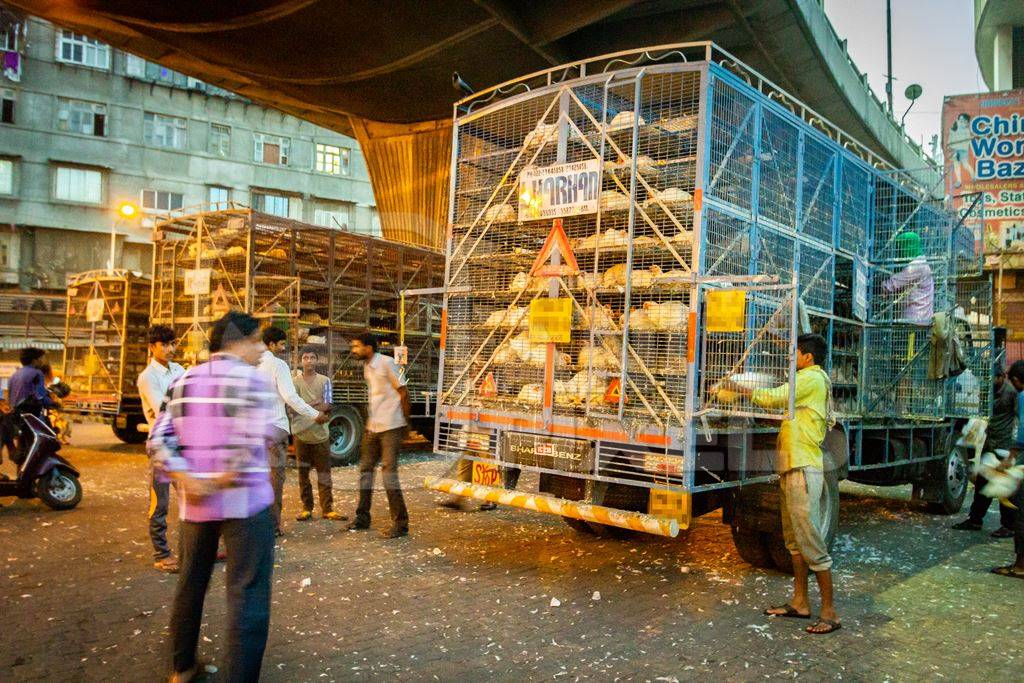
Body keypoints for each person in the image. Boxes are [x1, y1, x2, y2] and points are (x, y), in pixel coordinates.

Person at [148, 311, 277, 682]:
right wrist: (223, 477)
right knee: (247, 594)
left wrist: (189, 478)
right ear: (237, 341)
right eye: (256, 342)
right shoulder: (252, 382)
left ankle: (181, 667)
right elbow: (250, 437)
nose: (261, 351)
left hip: (196, 506)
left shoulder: (183, 379)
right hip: (248, 506)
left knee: (190, 583)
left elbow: (157, 441)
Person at [725, 333, 840, 634]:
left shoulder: (813, 378)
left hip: (804, 467)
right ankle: (800, 602)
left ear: (808, 358)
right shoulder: (808, 380)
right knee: (794, 540)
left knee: (810, 538)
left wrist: (739, 387)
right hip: (792, 465)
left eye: (796, 354)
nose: (793, 359)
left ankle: (830, 612)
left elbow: (777, 396)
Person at [257, 326, 328, 536]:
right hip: (274, 427)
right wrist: (314, 414)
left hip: (253, 429)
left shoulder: (250, 363)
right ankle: (273, 526)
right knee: (274, 479)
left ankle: (255, 526)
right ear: (271, 344)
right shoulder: (277, 364)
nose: (283, 347)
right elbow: (290, 397)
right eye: (280, 344)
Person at [347, 332, 410, 538]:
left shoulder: (388, 363)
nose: (353, 350)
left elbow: (403, 391)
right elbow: (375, 398)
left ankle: (400, 525)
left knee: (389, 475)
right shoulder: (367, 367)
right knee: (365, 471)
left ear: (369, 348)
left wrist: (406, 424)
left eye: (357, 346)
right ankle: (362, 518)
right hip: (373, 428)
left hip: (392, 427)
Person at [136, 325, 187, 573]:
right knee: (160, 501)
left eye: (172, 344)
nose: (169, 349)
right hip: (161, 445)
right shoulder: (148, 377)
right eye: (164, 344)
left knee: (192, 498)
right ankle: (162, 553)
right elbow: (162, 408)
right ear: (152, 347)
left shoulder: (179, 369)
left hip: (183, 442)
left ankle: (195, 548)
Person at [953, 362, 1018, 536]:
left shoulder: (1012, 393)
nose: (989, 382)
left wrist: (1014, 449)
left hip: (1004, 448)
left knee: (1004, 488)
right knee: (982, 485)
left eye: (993, 378)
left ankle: (1009, 526)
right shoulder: (987, 391)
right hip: (991, 444)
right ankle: (975, 520)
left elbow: (1019, 420)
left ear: (1001, 376)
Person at [291, 347, 345, 521]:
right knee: (303, 474)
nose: (309, 360)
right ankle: (307, 508)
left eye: (312, 357)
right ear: (301, 361)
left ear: (317, 360)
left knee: (324, 474)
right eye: (305, 357)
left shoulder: (325, 381)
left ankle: (327, 509)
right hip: (301, 435)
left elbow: (327, 405)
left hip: (321, 435)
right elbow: (293, 407)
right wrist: (316, 403)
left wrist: (307, 405)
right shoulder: (294, 382)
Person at [991, 360, 1024, 579]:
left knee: (1021, 512)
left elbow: (1023, 432)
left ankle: (1020, 565)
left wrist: (1011, 457)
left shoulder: (1022, 396)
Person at [881, 231, 934, 324]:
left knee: (910, 339)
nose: (899, 251)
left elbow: (895, 283)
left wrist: (882, 286)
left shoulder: (917, 265)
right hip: (918, 317)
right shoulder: (920, 262)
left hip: (915, 319)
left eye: (901, 247)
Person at [7, 347, 55, 415]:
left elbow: (10, 399)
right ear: (34, 361)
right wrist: (54, 404)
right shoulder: (37, 373)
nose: (42, 361)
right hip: (30, 416)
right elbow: (41, 397)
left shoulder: (14, 375)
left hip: (14, 417)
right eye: (41, 359)